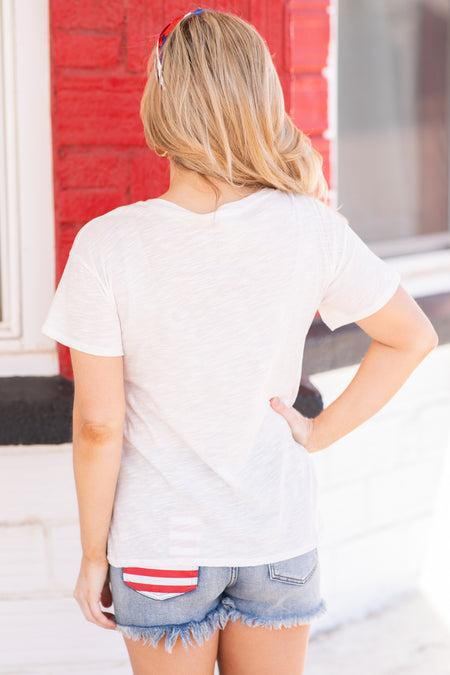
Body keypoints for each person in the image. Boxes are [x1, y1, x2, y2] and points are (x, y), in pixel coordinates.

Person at [42, 8, 438, 675]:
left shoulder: (107, 245)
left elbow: (99, 423)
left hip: (159, 548)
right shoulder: (309, 227)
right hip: (275, 536)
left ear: (162, 104)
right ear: (257, 100)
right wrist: (321, 432)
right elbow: (413, 336)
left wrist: (90, 556)